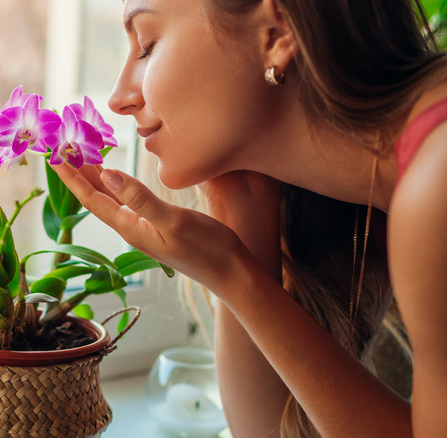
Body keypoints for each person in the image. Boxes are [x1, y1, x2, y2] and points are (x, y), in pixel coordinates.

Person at [51, 0, 447, 437]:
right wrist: (240, 212)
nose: (119, 98)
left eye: (147, 45)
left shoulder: (437, 181)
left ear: (276, 35)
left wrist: (234, 275)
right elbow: (265, 432)